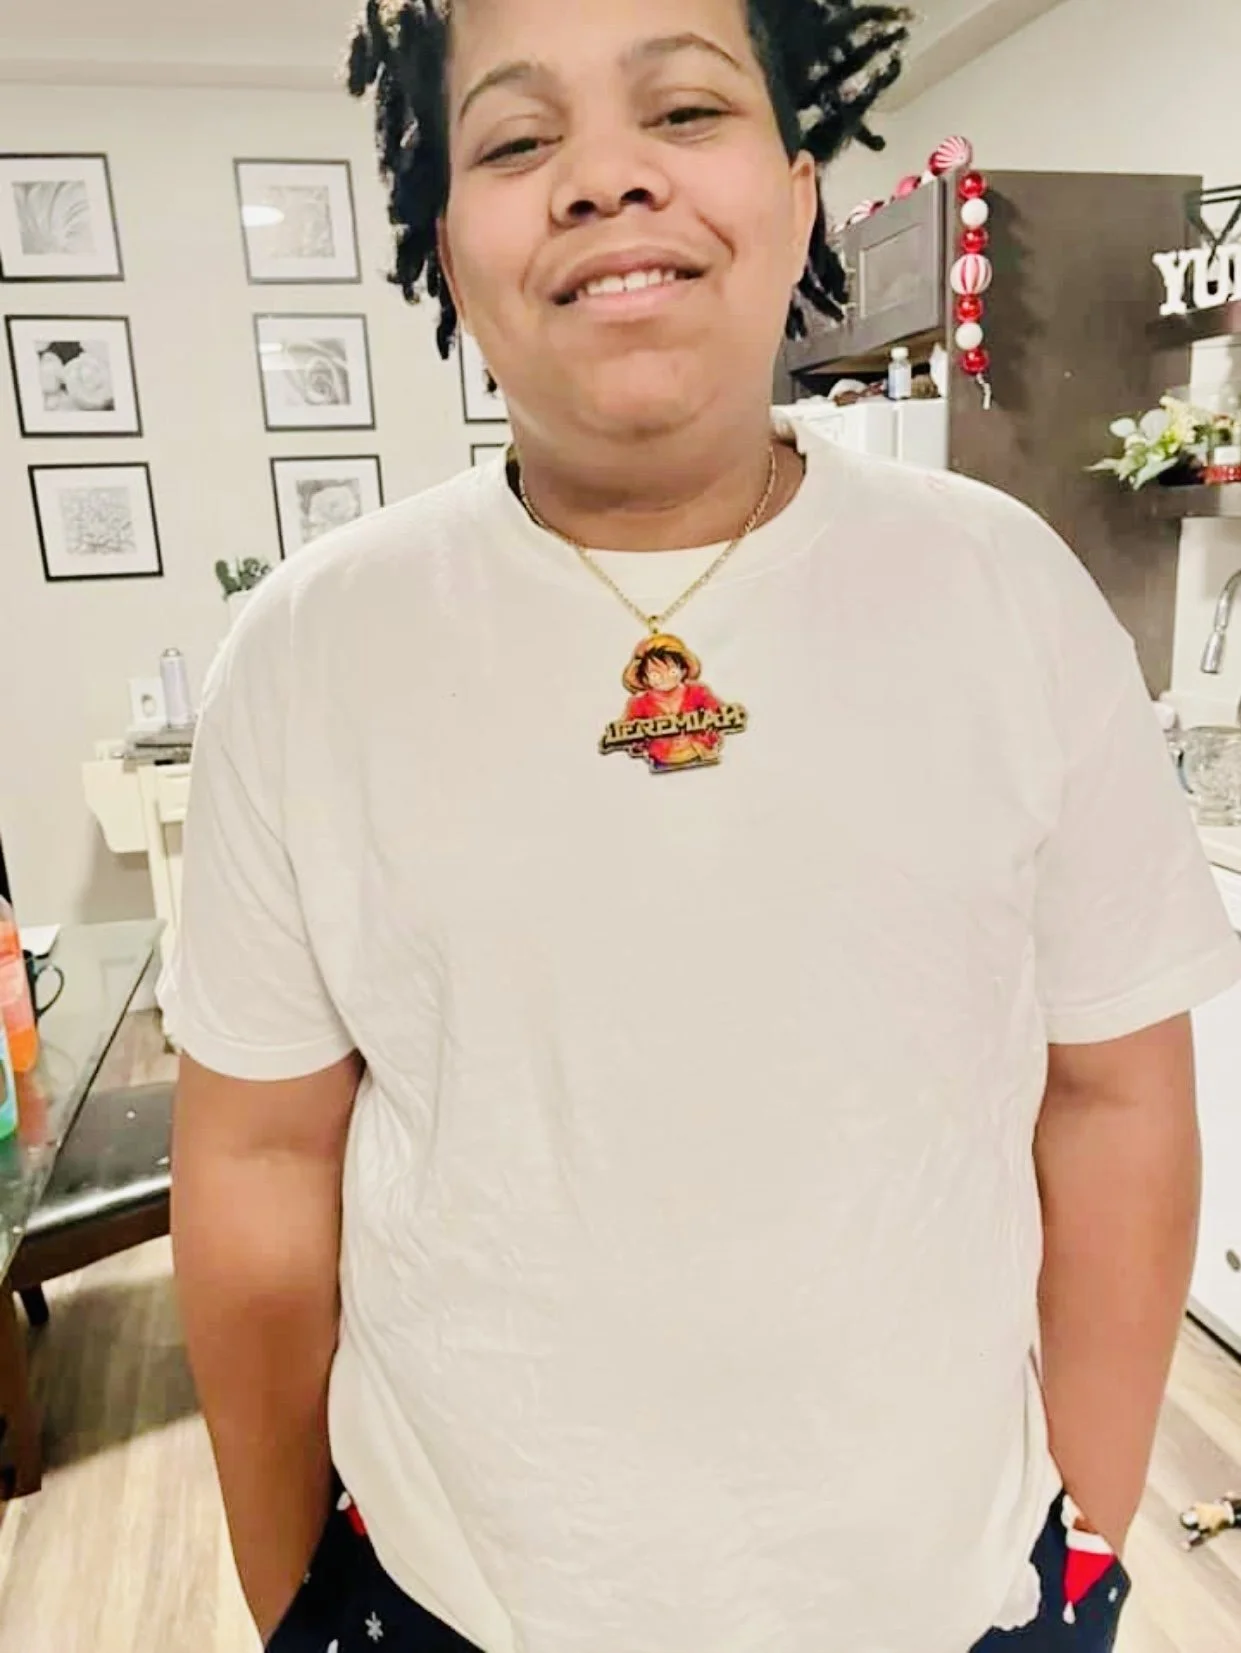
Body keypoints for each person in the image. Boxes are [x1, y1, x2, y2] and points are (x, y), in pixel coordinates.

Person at [162, 2, 1241, 1651]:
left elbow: (1114, 1094)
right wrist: (290, 1602)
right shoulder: (310, 655)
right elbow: (257, 1159)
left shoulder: (1008, 594)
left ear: (799, 200)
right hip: (453, 1596)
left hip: (955, 1593)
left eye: (682, 110)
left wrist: (1085, 1534)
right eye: (519, 140)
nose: (606, 178)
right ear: (449, 251)